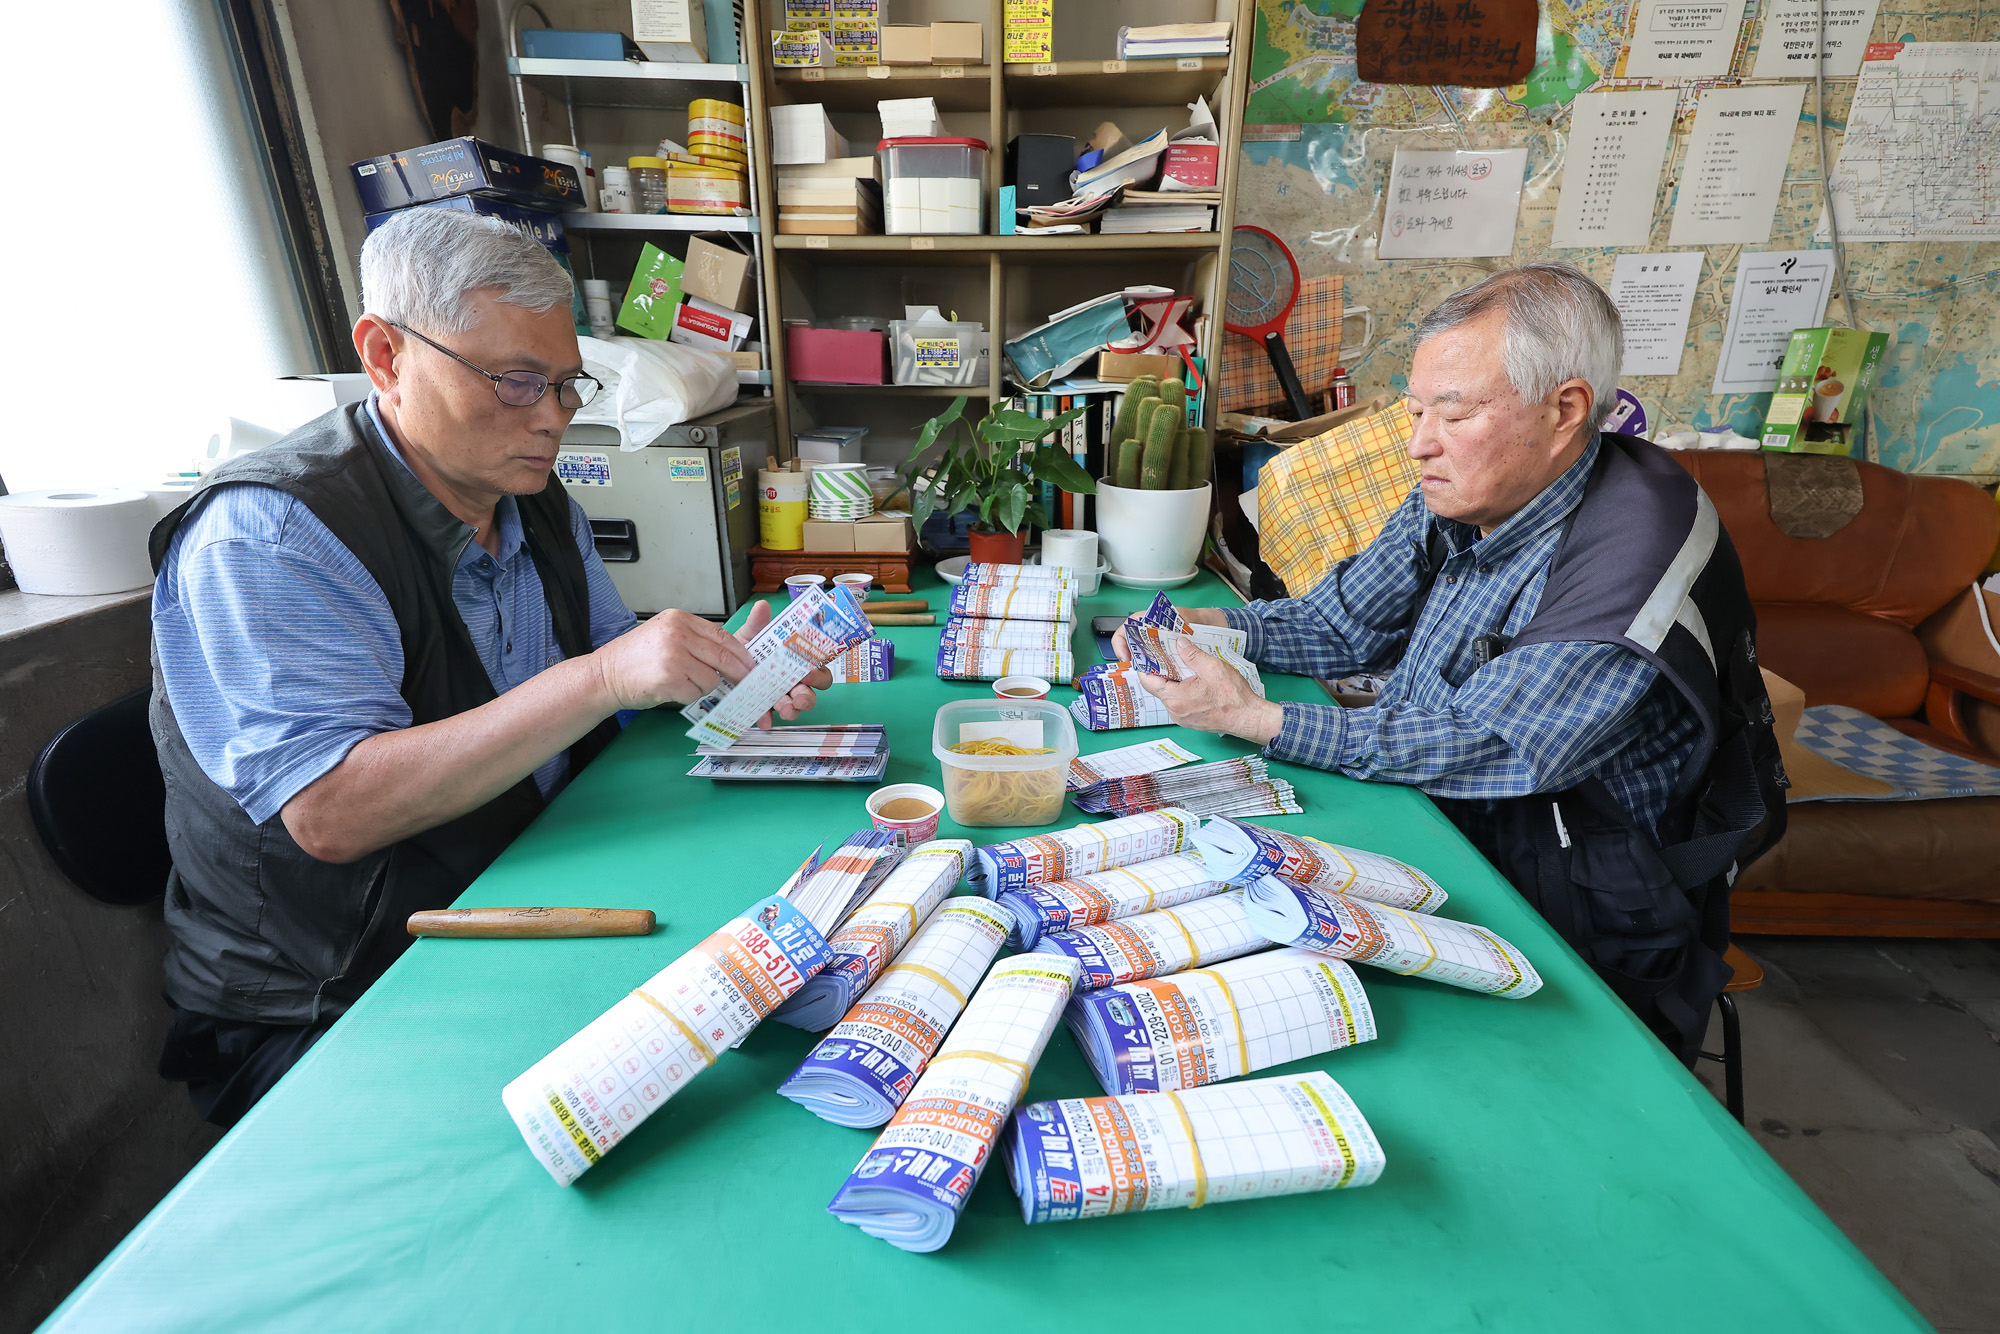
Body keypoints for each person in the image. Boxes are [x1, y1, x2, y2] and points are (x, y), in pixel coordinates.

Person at [147, 208, 827, 1126]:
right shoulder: (271, 537)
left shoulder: (534, 503)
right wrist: (604, 679)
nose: (550, 420)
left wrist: (726, 668)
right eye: (513, 382)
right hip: (340, 993)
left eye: (565, 386)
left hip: (524, 880)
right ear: (386, 355)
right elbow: (332, 811)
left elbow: (620, 689)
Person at [1125, 263, 1785, 1063]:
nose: (1417, 445)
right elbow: (1341, 625)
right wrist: (1216, 625)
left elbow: (1491, 744)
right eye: (1413, 411)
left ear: (1565, 410)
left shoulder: (1630, 559)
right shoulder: (1470, 487)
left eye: (1454, 412)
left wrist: (1255, 717)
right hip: (1450, 821)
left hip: (1580, 898)